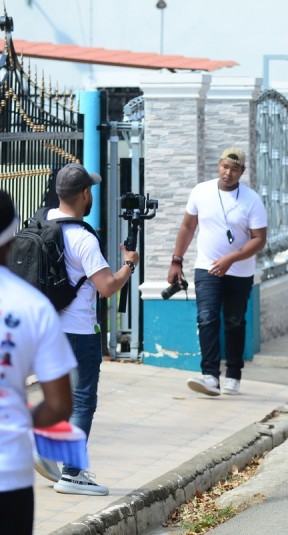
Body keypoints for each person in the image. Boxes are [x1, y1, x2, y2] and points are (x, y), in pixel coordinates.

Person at [32, 164, 139, 496]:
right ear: (83, 194)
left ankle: (44, 448)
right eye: (89, 190)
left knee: (59, 395)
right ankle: (73, 473)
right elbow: (107, 287)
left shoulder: (41, 222)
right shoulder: (82, 237)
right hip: (78, 330)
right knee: (82, 402)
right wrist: (129, 264)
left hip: (46, 329)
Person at [0, 191, 75, 535]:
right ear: (13, 236)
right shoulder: (33, 306)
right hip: (8, 473)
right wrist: (19, 423)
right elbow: (59, 405)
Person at [169, 147, 267, 397]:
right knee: (207, 318)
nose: (228, 173)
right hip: (207, 267)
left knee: (234, 321)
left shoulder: (252, 200)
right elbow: (188, 227)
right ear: (219, 165)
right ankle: (210, 376)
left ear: (242, 171)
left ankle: (233, 373)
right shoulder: (201, 191)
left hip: (240, 271)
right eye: (225, 167)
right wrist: (176, 260)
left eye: (234, 169)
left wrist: (232, 258)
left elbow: (259, 239)